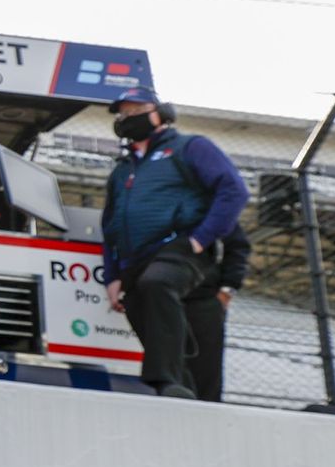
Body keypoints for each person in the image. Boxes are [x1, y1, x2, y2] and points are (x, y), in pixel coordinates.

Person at [100, 86, 249, 398]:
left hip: (180, 251)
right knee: (143, 304)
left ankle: (163, 379)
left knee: (157, 283)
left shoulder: (190, 147)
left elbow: (234, 191)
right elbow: (109, 226)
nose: (129, 118)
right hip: (135, 261)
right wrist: (112, 276)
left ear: (162, 114)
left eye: (137, 111)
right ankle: (179, 389)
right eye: (123, 114)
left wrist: (198, 241)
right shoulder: (121, 171)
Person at [184, 221, 251, 403]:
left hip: (204, 299)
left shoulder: (213, 204)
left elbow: (238, 247)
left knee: (205, 371)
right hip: (160, 296)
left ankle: (205, 418)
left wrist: (227, 289)